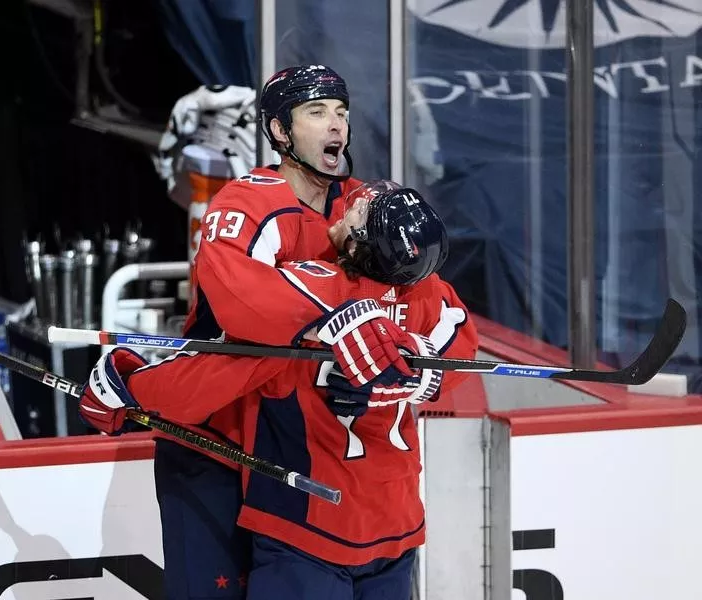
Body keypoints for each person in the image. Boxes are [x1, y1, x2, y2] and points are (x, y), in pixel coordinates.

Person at [92, 64, 433, 599]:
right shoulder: (246, 203)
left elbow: (425, 303)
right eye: (317, 112)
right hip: (214, 441)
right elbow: (247, 312)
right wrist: (349, 316)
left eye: (341, 112)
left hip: (286, 453)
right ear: (280, 131)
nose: (336, 125)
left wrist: (415, 365)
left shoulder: (360, 205)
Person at [80, 182, 479, 599]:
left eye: (362, 213)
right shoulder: (425, 296)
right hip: (396, 526)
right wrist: (411, 372)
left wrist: (129, 385)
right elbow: (461, 344)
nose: (350, 203)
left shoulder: (311, 288)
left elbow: (216, 375)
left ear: (363, 245)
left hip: (307, 531)